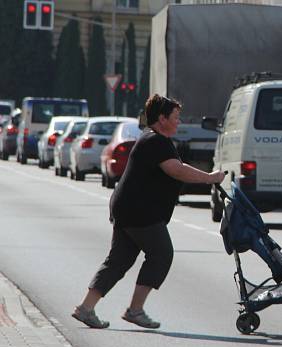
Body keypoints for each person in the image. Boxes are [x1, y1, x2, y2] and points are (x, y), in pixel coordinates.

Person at [71, 94, 226, 329]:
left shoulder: (152, 140)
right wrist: (210, 178)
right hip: (140, 213)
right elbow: (177, 170)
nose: (179, 122)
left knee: (119, 260)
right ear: (162, 119)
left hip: (128, 209)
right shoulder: (156, 142)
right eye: (175, 117)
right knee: (162, 254)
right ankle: (135, 310)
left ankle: (86, 308)